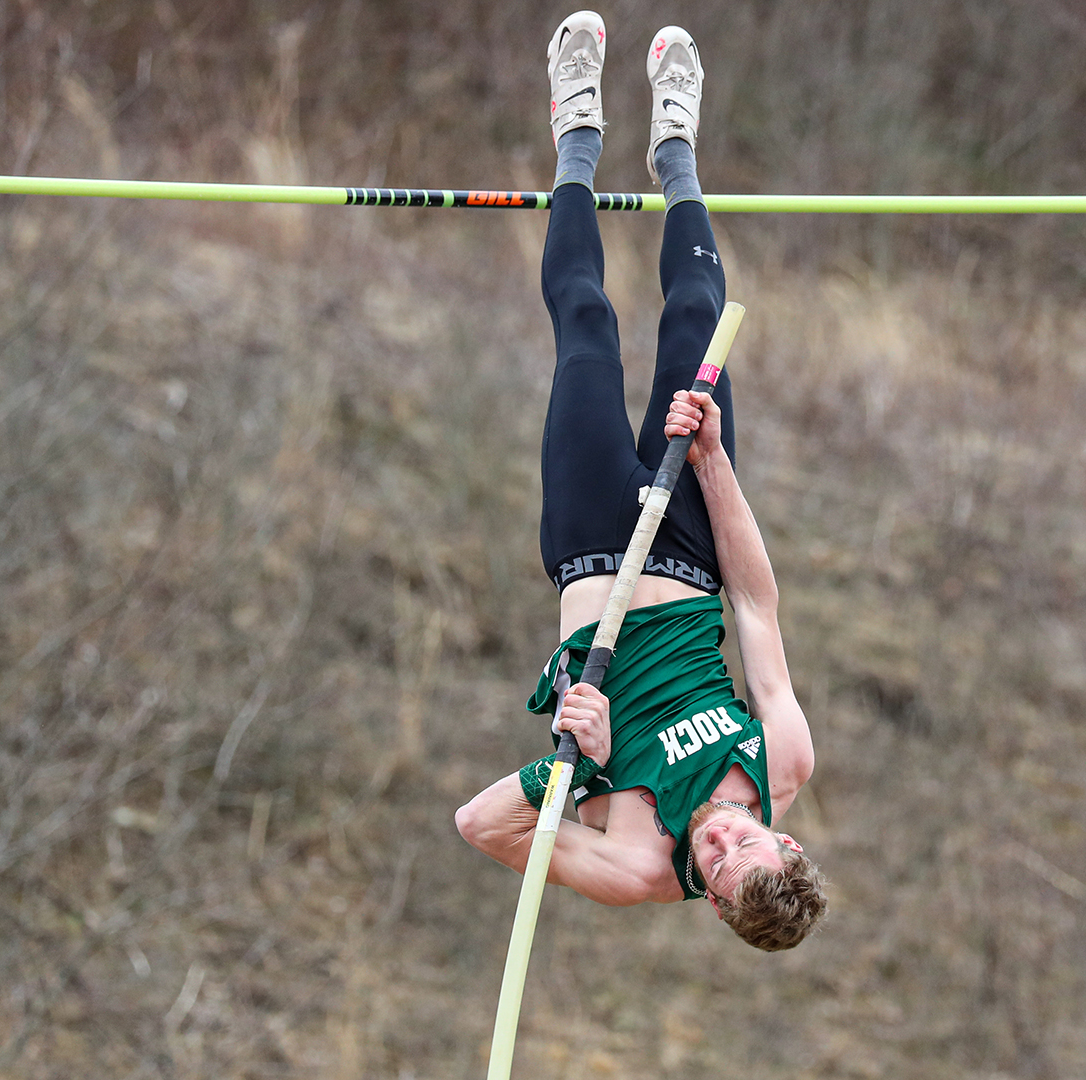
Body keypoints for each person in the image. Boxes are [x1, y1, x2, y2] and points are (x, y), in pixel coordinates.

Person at [454, 13, 826, 951]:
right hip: (693, 537)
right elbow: (757, 604)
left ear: (711, 897)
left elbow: (483, 826)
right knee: (694, 315)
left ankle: (575, 132)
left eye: (717, 863)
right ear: (783, 838)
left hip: (589, 551)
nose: (719, 838)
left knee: (585, 326)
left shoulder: (635, 868)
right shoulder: (782, 761)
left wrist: (578, 763)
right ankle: (676, 147)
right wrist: (714, 461)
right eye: (744, 840)